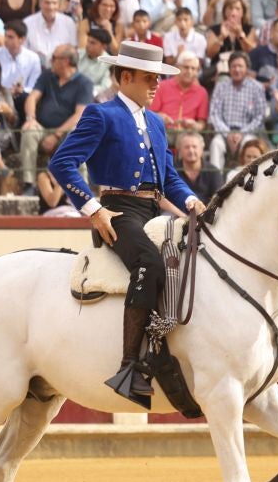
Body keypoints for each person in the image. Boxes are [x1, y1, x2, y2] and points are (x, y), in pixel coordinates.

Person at [47, 42, 205, 409]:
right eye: (149, 78)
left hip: (153, 212)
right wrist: (93, 209)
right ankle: (130, 366)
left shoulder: (156, 122)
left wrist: (193, 202)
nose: (155, 85)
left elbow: (169, 178)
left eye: (157, 79)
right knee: (149, 263)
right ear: (124, 77)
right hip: (117, 211)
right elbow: (62, 163)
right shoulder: (100, 114)